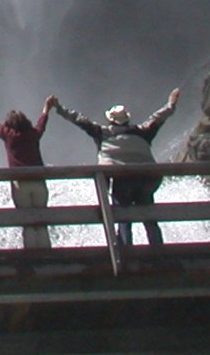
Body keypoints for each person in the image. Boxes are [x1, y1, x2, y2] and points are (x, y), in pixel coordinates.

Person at [53, 88, 180, 247]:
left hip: (122, 180)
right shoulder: (143, 131)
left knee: (123, 219)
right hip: (147, 180)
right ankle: (159, 251)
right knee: (150, 217)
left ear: (111, 120)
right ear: (127, 119)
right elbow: (159, 117)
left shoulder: (102, 133)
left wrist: (59, 108)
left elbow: (80, 120)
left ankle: (126, 252)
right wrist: (171, 104)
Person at [0, 97, 56, 249]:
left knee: (26, 222)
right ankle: (46, 252)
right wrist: (47, 108)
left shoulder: (8, 135)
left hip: (20, 184)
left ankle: (31, 254)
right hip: (38, 182)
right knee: (42, 220)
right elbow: (42, 124)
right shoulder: (33, 134)